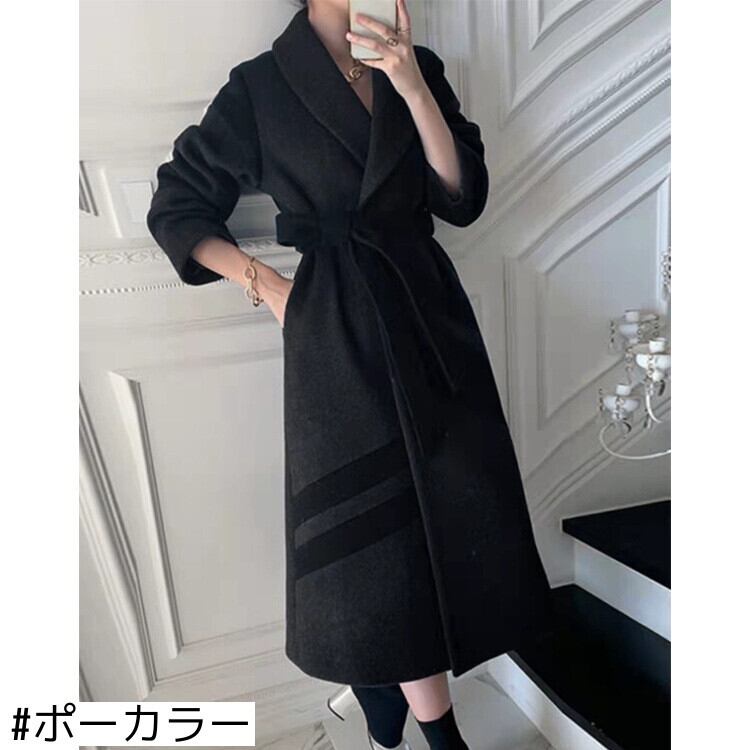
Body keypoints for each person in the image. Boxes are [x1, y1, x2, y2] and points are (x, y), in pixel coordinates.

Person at [146, 1, 556, 748]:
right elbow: (176, 206)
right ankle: (435, 731)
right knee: (380, 551)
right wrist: (267, 286)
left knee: (459, 514)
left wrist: (411, 84)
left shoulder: (418, 68)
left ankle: (382, 699)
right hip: (335, 335)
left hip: (429, 318)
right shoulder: (260, 87)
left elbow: (461, 198)